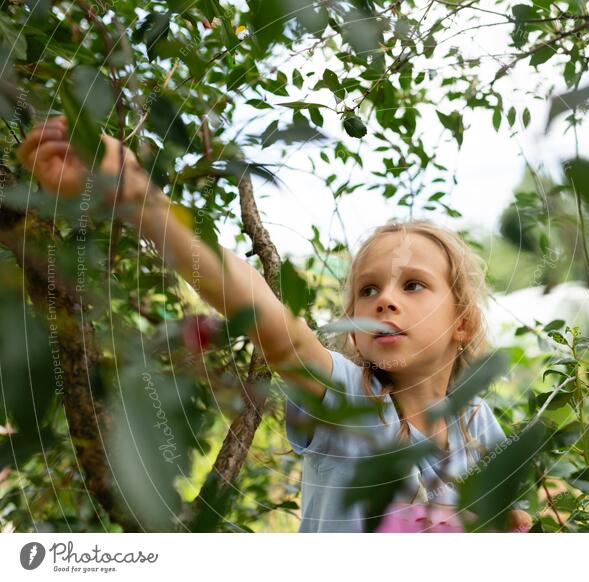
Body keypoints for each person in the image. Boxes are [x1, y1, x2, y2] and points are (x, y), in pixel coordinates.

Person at [18, 116, 533, 533]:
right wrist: (140, 201)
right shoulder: (345, 398)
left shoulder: (476, 423)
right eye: (368, 289)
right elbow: (265, 313)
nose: (385, 302)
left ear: (462, 323)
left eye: (413, 285)